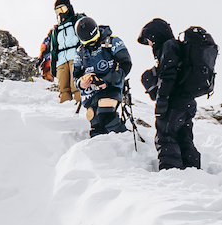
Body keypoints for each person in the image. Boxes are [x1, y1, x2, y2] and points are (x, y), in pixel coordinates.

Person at [136, 18, 201, 170]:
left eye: (149, 40)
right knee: (184, 137)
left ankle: (170, 171)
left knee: (165, 136)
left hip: (175, 101)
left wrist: (161, 103)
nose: (149, 44)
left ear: (156, 36)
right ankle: (192, 171)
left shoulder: (168, 47)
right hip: (187, 101)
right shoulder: (177, 47)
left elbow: (168, 77)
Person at [69, 16, 131, 135]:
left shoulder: (113, 41)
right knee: (94, 119)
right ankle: (99, 149)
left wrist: (106, 80)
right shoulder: (80, 51)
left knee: (106, 115)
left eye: (93, 40)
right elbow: (76, 76)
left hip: (111, 86)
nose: (91, 44)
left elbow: (126, 64)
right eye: (87, 43)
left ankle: (124, 141)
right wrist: (80, 84)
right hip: (91, 92)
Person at [41, 0, 84, 101]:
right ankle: (66, 111)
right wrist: (53, 66)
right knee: (63, 88)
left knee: (76, 86)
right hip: (61, 60)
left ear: (69, 8)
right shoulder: (56, 30)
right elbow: (53, 49)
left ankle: (80, 108)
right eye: (58, 10)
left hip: (75, 57)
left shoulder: (76, 21)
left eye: (63, 9)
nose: (61, 13)